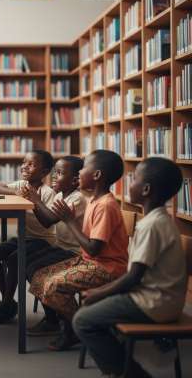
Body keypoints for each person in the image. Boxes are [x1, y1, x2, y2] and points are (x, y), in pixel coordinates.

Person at [73, 157, 187, 378]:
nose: (128, 184)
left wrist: (99, 292)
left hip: (153, 302)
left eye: (133, 180)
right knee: (94, 313)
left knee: (82, 320)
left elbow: (133, 277)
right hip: (159, 297)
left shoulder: (151, 225)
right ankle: (124, 365)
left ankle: (130, 373)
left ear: (145, 190)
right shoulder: (158, 220)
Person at [30, 150, 128, 350]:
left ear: (97, 175)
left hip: (106, 267)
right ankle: (73, 326)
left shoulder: (105, 206)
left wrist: (69, 220)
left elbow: (93, 249)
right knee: (39, 277)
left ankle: (80, 327)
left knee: (53, 287)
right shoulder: (93, 200)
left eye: (83, 169)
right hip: (90, 261)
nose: (78, 174)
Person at [0, 150, 56, 324]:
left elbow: (46, 222)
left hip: (42, 240)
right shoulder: (21, 185)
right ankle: (9, 301)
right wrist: (16, 193)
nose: (25, 166)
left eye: (31, 164)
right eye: (24, 162)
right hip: (23, 238)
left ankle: (6, 305)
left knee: (13, 260)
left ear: (44, 172)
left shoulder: (47, 192)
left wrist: (34, 201)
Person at [21, 156, 86, 336]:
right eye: (55, 172)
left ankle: (54, 319)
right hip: (61, 247)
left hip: (75, 252)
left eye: (60, 173)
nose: (55, 177)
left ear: (75, 180)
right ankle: (53, 314)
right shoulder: (60, 194)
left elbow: (50, 218)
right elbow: (45, 222)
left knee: (35, 268)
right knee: (26, 261)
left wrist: (36, 200)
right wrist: (35, 202)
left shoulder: (77, 198)